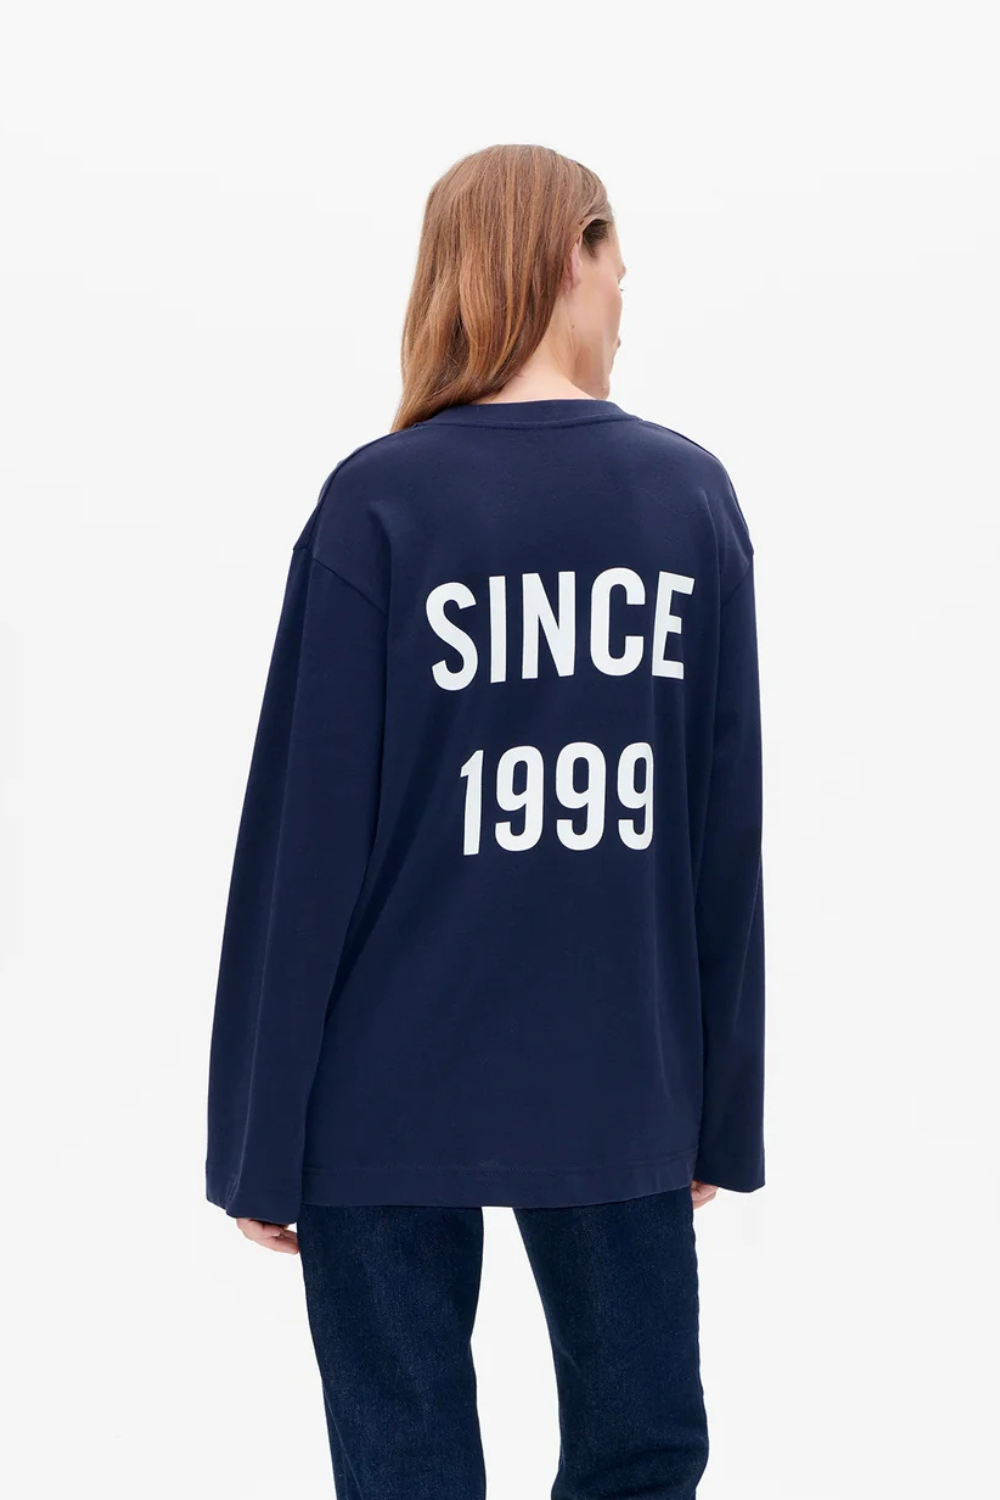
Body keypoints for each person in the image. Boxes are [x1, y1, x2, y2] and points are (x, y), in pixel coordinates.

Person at [204, 142, 766, 1500]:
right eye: (617, 257)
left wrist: (259, 1139)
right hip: (623, 1074)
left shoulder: (379, 502)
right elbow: (720, 837)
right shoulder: (687, 500)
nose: (626, 290)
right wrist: (718, 1112)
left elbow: (302, 851)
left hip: (380, 1087)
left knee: (405, 1471)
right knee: (644, 1451)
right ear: (569, 253)